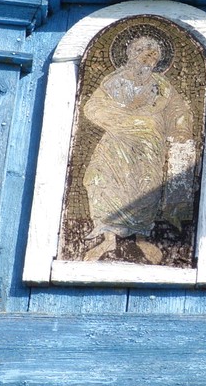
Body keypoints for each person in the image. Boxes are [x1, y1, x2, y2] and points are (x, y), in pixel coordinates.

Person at [80, 35, 195, 263]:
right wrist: (123, 118)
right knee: (101, 180)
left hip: (148, 145)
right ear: (131, 53)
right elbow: (93, 107)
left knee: (147, 185)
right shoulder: (114, 81)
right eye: (143, 51)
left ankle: (142, 237)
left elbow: (178, 111)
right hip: (116, 141)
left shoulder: (162, 86)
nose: (148, 58)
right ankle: (108, 238)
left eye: (153, 55)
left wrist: (181, 129)